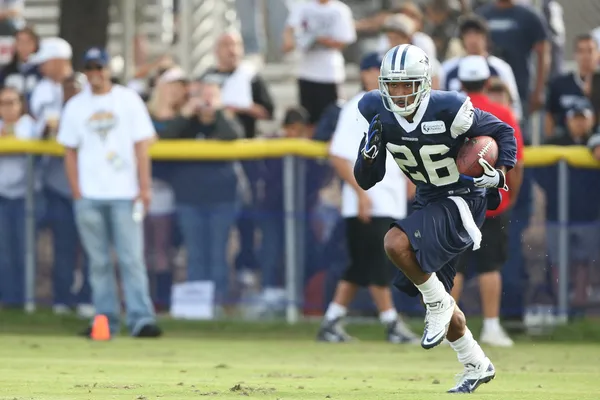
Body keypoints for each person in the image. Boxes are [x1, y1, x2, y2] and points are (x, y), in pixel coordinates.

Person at [354, 44, 516, 393]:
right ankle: (476, 363)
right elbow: (368, 178)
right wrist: (368, 155)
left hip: (461, 196)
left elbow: (504, 132)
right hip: (428, 198)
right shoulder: (374, 109)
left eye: (406, 84)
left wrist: (499, 173)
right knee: (438, 295)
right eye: (392, 85)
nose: (398, 93)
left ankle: (438, 304)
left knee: (395, 243)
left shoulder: (449, 107)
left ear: (424, 83)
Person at [57, 47, 161, 338]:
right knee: (99, 262)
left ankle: (141, 318)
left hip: (124, 192)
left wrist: (144, 185)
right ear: (86, 72)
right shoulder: (76, 105)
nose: (95, 74)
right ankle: (105, 320)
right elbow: (69, 152)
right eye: (90, 68)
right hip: (90, 194)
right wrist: (77, 191)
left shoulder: (127, 100)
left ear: (108, 69)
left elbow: (142, 145)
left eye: (99, 67)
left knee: (131, 259)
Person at [318, 52, 418, 344]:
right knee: (377, 264)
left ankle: (331, 321)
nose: (377, 75)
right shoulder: (357, 107)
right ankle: (392, 324)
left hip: (389, 199)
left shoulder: (396, 106)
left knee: (360, 266)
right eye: (372, 69)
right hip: (369, 200)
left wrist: (409, 177)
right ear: (362, 73)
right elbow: (338, 155)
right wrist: (361, 194)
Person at [452, 56, 525, 348]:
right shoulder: (503, 112)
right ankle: (492, 327)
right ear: (486, 81)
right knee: (489, 266)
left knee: (452, 266)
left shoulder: (448, 110)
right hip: (493, 200)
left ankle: (447, 326)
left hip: (455, 199)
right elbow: (516, 161)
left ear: (460, 82)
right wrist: (511, 195)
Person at [440, 14, 522, 121]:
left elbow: (514, 108)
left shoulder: (500, 68)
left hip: (494, 128)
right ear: (462, 38)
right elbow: (440, 105)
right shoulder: (448, 68)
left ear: (486, 37)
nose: (473, 39)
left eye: (477, 34)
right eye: (468, 34)